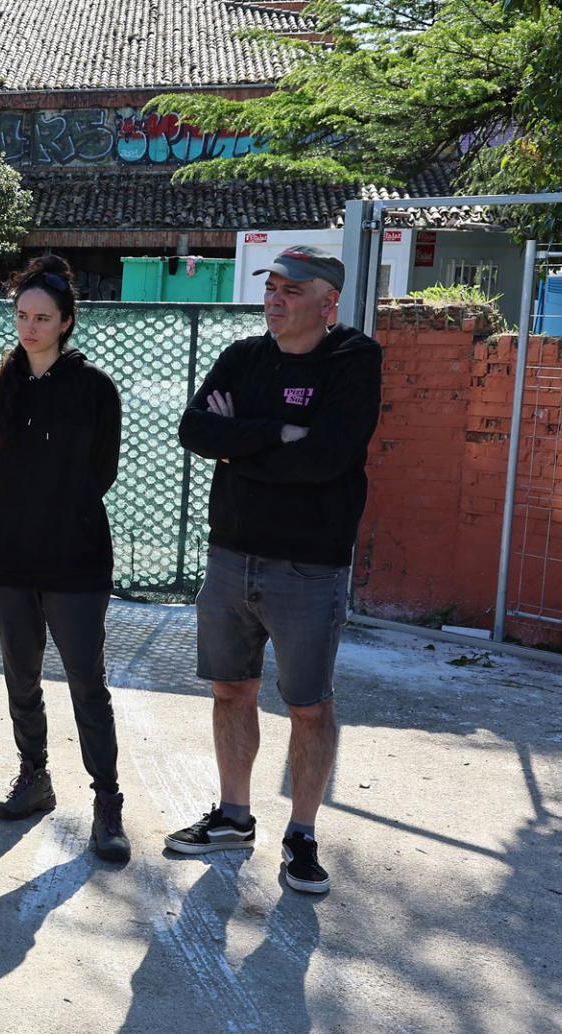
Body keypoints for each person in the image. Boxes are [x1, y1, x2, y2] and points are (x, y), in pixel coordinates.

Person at [171, 245, 383, 895]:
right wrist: (279, 432)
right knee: (229, 690)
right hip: (230, 554)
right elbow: (193, 430)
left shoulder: (353, 360)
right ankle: (234, 816)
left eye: (292, 289)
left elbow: (327, 457)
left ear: (328, 302)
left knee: (308, 707)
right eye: (270, 285)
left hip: (308, 567)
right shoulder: (242, 358)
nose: (275, 297)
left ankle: (301, 836)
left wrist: (244, 445)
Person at [0, 255, 128, 861]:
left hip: (76, 556)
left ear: (67, 321)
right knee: (21, 676)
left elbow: (103, 471)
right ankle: (34, 775)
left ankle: (107, 802)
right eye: (21, 316)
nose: (30, 327)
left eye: (43, 317)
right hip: (12, 554)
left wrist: (61, 511)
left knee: (87, 683)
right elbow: (0, 470)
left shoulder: (94, 389)